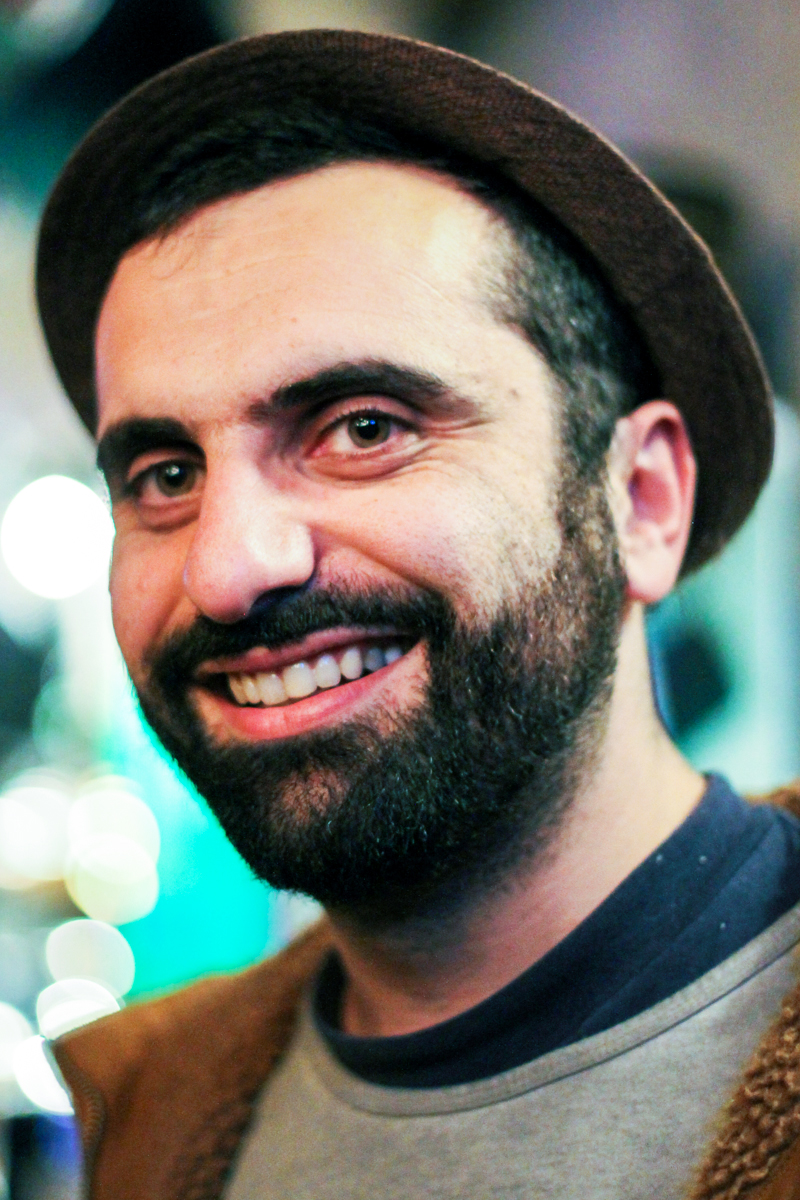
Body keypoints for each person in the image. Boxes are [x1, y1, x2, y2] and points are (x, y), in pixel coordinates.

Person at [34, 28, 800, 1200]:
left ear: (640, 500)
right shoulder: (144, 1108)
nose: (227, 570)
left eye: (363, 427)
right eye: (165, 475)